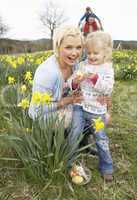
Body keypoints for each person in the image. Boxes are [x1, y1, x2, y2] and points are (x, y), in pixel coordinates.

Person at [68, 31, 114, 181]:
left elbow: (107, 88)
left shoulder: (107, 68)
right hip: (79, 108)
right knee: (74, 134)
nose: (92, 56)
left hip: (97, 112)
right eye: (89, 53)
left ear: (105, 53)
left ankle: (106, 167)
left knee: (100, 138)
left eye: (96, 53)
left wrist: (94, 78)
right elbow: (71, 83)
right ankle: (71, 164)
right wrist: (75, 82)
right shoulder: (82, 65)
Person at [28, 26, 84, 128]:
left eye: (78, 47)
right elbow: (38, 109)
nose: (75, 53)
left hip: (65, 106)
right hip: (44, 115)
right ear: (58, 47)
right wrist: (68, 100)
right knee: (84, 117)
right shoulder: (48, 73)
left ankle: (79, 137)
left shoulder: (74, 64)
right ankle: (66, 141)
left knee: (101, 114)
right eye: (68, 47)